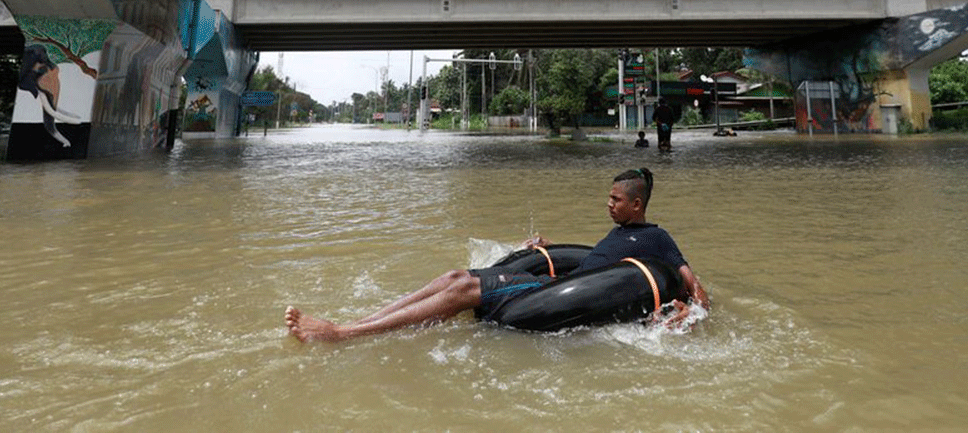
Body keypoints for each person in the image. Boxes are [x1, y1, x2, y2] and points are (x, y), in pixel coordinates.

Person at [284, 168, 709, 342]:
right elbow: (590, 266)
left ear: (637, 205)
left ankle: (343, 335)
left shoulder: (657, 239)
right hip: (551, 280)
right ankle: (359, 322)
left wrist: (686, 314)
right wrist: (539, 249)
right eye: (609, 197)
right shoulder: (618, 235)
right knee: (455, 276)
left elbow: (697, 290)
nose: (609, 204)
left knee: (463, 288)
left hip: (550, 290)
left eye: (616, 200)